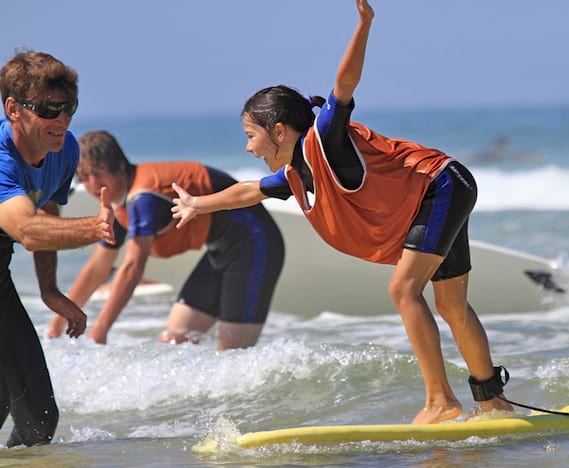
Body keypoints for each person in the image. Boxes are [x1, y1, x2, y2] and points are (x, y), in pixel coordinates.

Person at [171, 0, 513, 424]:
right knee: (451, 305)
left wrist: (365, 25)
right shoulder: (299, 174)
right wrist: (196, 204)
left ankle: (440, 401)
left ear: (279, 131)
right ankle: (492, 401)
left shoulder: (326, 139)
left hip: (441, 185)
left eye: (250, 136)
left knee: (404, 290)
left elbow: (344, 84)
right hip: (442, 190)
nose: (248, 147)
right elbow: (248, 191)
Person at [47, 130, 285, 350]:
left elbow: (132, 268)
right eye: (84, 176)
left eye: (98, 172)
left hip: (255, 245)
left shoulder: (143, 197)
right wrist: (59, 321)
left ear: (118, 166)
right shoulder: (122, 203)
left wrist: (100, 329)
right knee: (173, 341)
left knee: (232, 354)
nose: (92, 184)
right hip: (220, 253)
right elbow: (97, 268)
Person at [0, 51, 114, 447]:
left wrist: (49, 290)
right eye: (49, 109)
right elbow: (28, 230)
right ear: (14, 109)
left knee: (36, 414)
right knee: (28, 408)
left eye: (69, 107)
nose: (62, 119)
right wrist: (95, 227)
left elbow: (47, 206)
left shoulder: (62, 150)